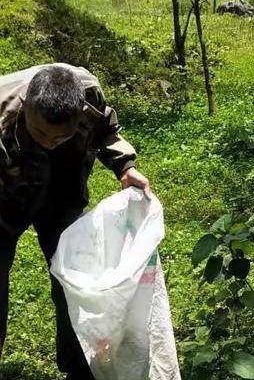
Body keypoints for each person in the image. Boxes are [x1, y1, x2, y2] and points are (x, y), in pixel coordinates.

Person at [0, 63, 150, 380]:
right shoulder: (2, 120)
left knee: (74, 277)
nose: (48, 142)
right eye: (40, 133)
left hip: (61, 190)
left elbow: (105, 130)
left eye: (61, 137)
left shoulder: (89, 96)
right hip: (6, 198)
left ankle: (80, 367)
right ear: (26, 106)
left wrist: (125, 166)